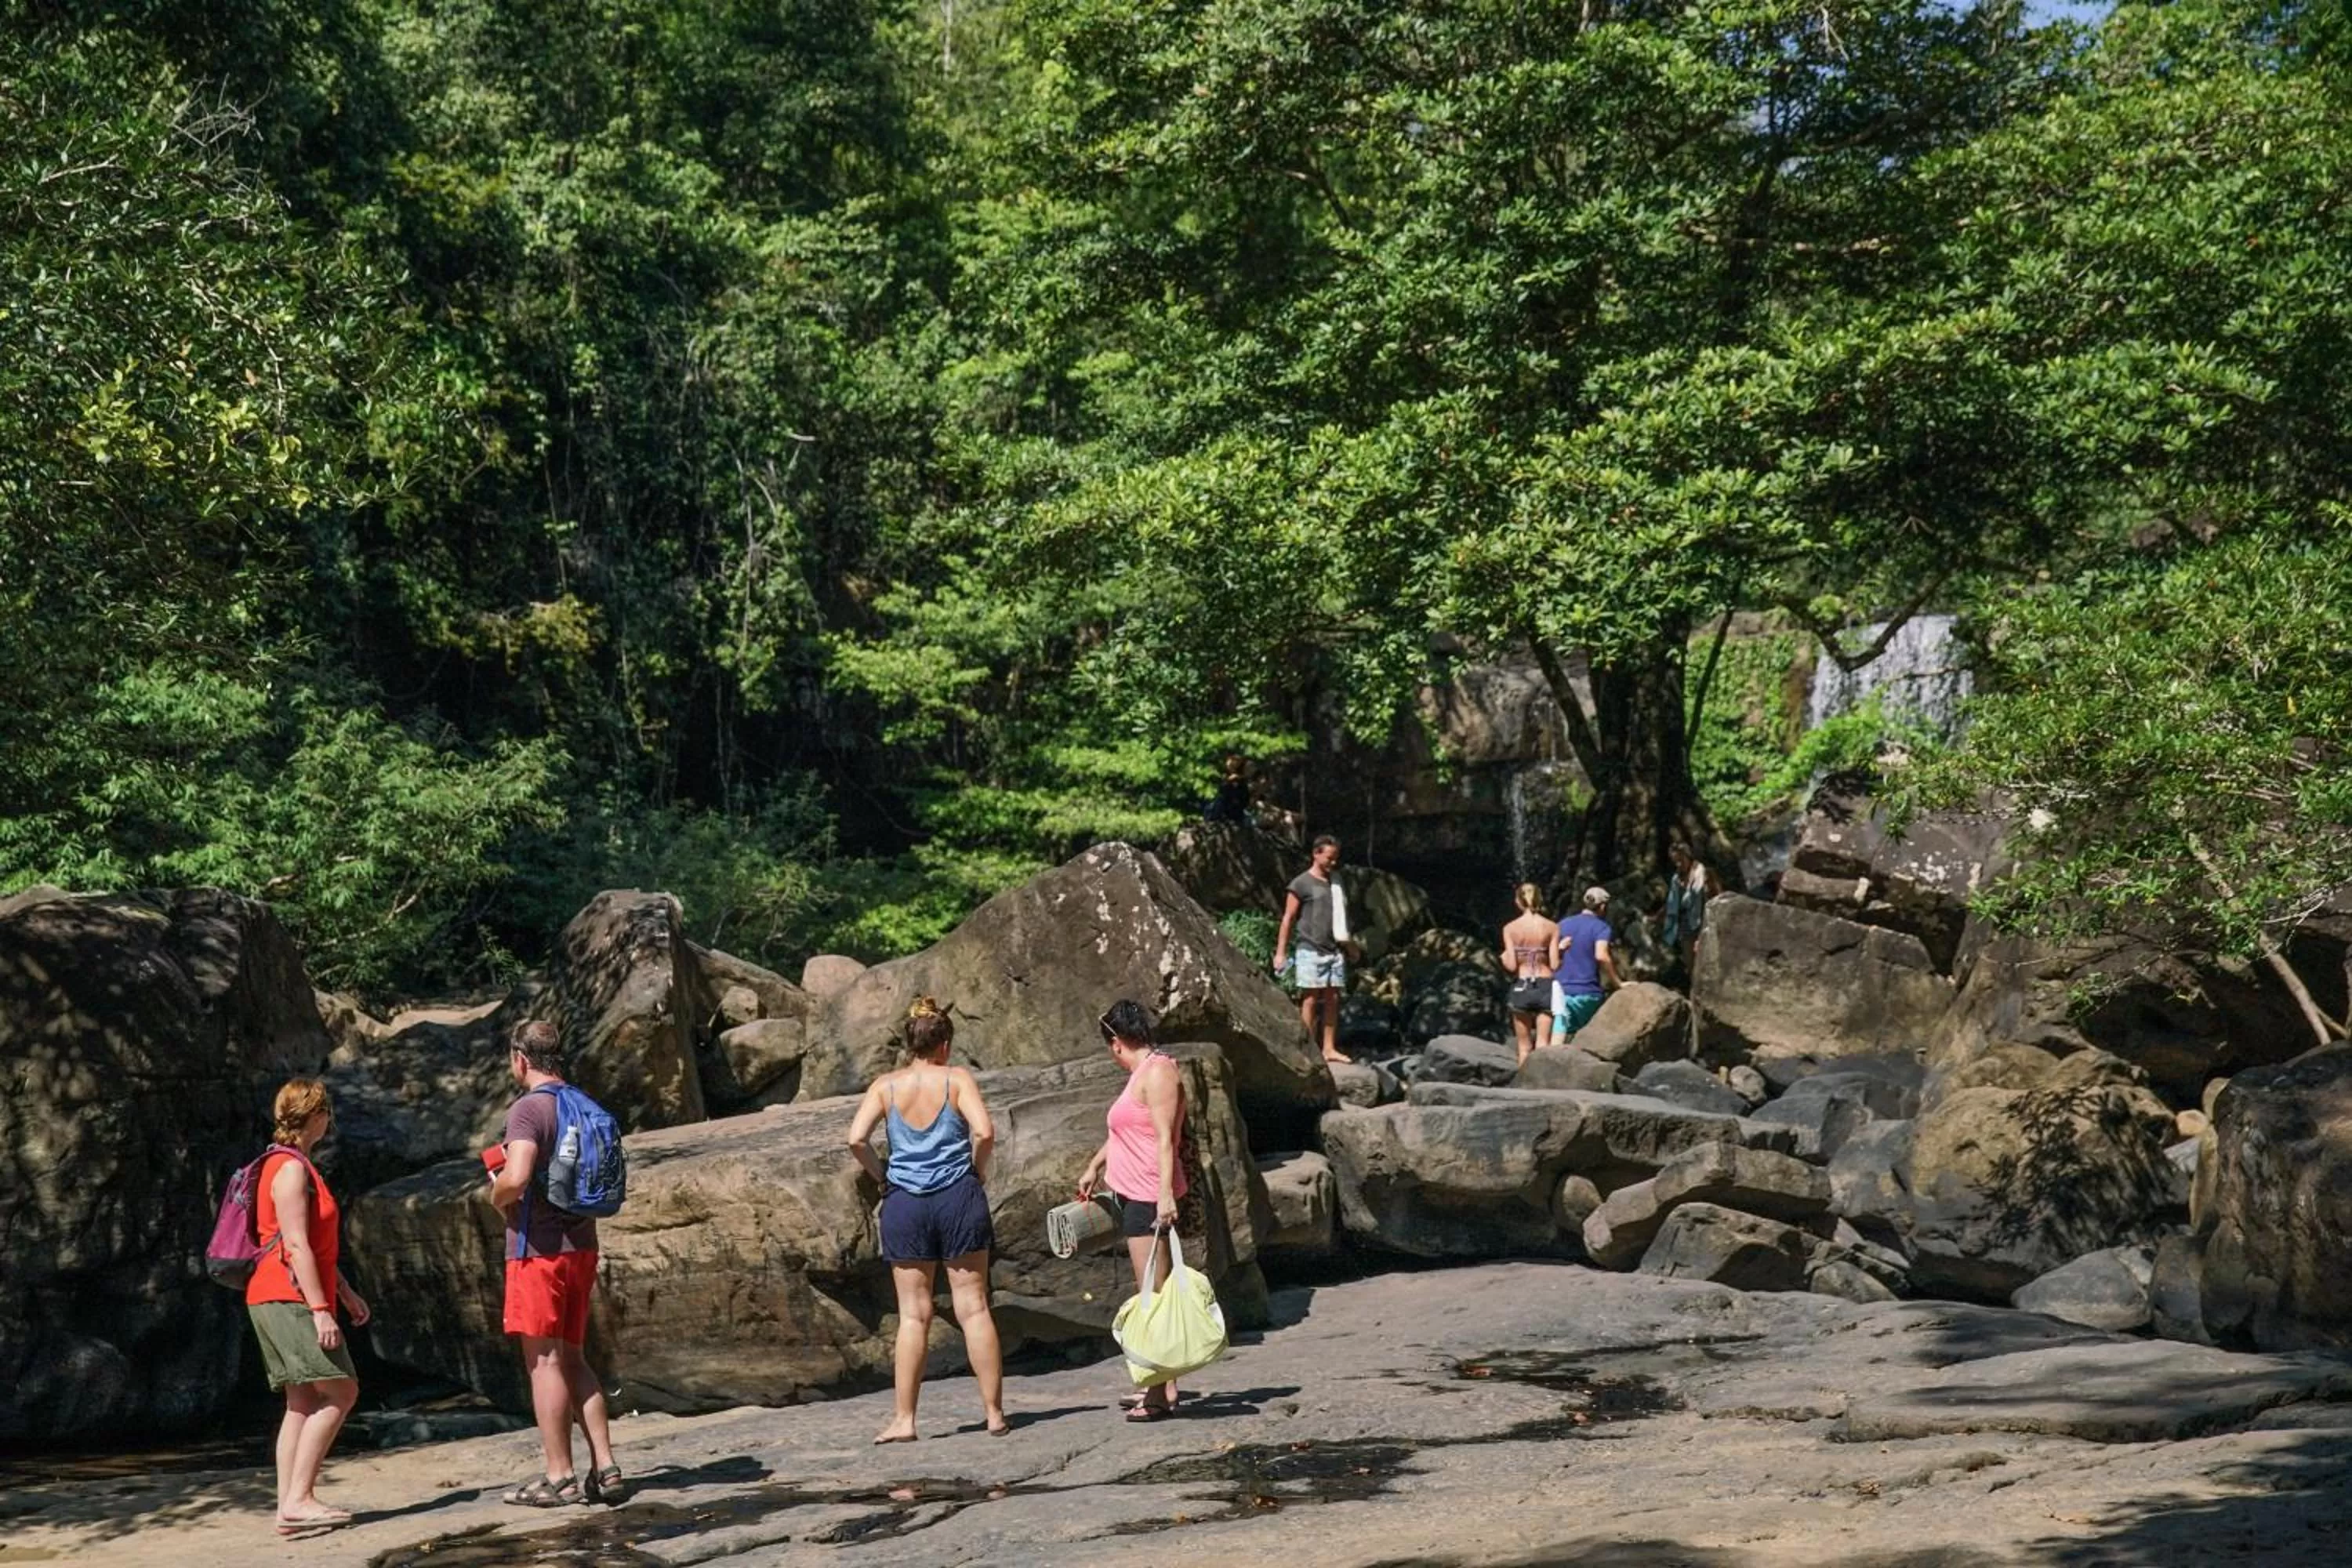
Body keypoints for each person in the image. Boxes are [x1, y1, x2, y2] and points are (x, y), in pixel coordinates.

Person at [846, 997, 1008, 1443]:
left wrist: (883, 1178)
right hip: (958, 1197)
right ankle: (993, 1413)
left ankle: (905, 1420)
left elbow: (856, 1139)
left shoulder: (886, 1086)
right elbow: (985, 1132)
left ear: (910, 1043)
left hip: (906, 1204)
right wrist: (976, 1171)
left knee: (913, 1316)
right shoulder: (957, 1079)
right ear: (945, 1044)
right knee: (973, 1307)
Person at [488, 1020, 626, 1507]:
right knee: (574, 1357)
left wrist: (495, 1191)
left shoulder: (529, 1109)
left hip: (538, 1251)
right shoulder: (582, 1105)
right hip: (581, 1247)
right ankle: (606, 1468)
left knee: (543, 1363)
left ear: (520, 1059)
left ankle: (560, 1476)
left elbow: (519, 1175)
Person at [245, 1079, 370, 1536]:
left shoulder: (289, 1165)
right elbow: (295, 1245)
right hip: (287, 1296)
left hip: (275, 1294)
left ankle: (287, 1508)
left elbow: (312, 1246)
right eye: (327, 1113)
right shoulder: (292, 1170)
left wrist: (345, 1293)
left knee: (301, 1402)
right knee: (342, 1390)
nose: (329, 1122)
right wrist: (321, 1310)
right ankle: (299, 1498)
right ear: (315, 1117)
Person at [1075, 999, 1192, 1421]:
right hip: (1135, 1192)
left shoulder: (1158, 1072)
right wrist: (1094, 1164)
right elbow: (1128, 1129)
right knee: (1151, 1288)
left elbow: (1165, 1138)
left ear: (1117, 1042)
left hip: (1148, 1194)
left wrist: (1165, 1196)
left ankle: (1156, 1395)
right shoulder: (1143, 1073)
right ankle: (1164, 1383)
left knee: (1151, 1294)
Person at [1271, 834, 1353, 1064]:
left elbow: (1342, 918)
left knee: (1333, 998)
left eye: (1336, 858)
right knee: (1309, 999)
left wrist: (1349, 945)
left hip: (1334, 950)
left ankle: (1328, 1048)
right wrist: (1281, 952)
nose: (1333, 863)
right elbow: (1288, 918)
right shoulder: (1301, 883)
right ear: (1316, 854)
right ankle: (1307, 1049)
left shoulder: (1335, 883)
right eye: (1329, 858)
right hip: (1309, 949)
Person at [1550, 885, 1623, 1044]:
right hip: (1587, 992)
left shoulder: (1562, 924)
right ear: (1603, 906)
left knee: (1559, 1030)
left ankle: (1549, 1061)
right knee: (1593, 1038)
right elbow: (1601, 955)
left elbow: (1552, 952)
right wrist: (1618, 983)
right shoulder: (1601, 927)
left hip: (1561, 989)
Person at [1499, 884, 1558, 1066]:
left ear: (1518, 902)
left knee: (1524, 1047)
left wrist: (1502, 958)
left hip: (1523, 984)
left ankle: (1523, 1088)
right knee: (1543, 1045)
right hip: (1546, 984)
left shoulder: (1510, 928)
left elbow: (1511, 965)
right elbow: (1555, 964)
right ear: (1540, 900)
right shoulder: (1552, 927)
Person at [1664, 843, 1713, 973]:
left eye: (1681, 861)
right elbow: (1672, 902)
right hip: (1685, 921)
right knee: (1690, 960)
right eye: (1675, 862)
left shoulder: (1700, 873)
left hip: (1702, 918)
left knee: (1705, 956)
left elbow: (1706, 898)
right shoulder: (1676, 878)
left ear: (1688, 856)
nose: (1678, 865)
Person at [1203, 753, 1251, 824]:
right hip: (1219, 804)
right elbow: (1218, 789)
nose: (1235, 763)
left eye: (1238, 761)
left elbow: (1244, 794)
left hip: (1234, 806)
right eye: (1234, 760)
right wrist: (1229, 780)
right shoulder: (1220, 772)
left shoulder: (1240, 777)